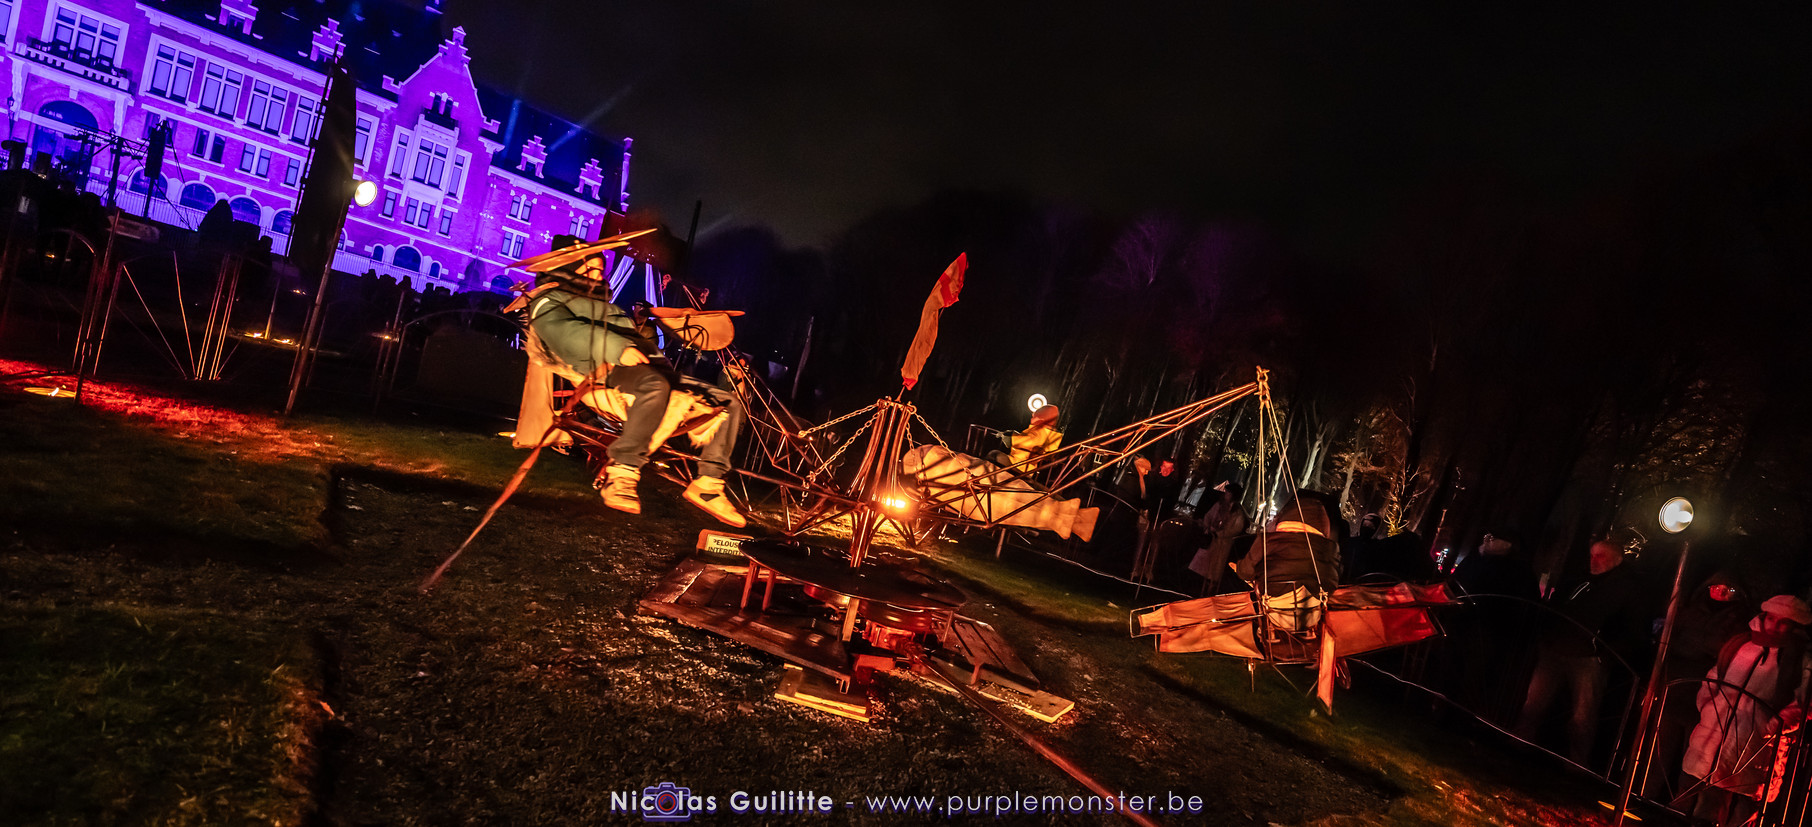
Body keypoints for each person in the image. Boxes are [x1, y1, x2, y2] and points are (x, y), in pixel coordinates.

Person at [518, 239, 747, 527]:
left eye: (600, 270)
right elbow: (564, 332)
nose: (598, 276)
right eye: (590, 270)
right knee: (655, 386)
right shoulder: (548, 300)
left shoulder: (601, 304)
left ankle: (709, 484)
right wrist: (617, 348)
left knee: (728, 402)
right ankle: (622, 472)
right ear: (569, 270)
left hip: (648, 368)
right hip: (605, 369)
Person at [1516, 536, 1653, 766]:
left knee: (1582, 717)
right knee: (1533, 704)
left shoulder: (1627, 589)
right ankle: (1517, 745)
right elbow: (1560, 607)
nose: (1594, 561)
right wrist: (1548, 635)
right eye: (1592, 555)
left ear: (1617, 560)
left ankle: (1576, 766)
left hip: (1588, 659)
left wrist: (1603, 654)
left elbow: (1634, 630)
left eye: (1600, 556)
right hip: (1556, 649)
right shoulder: (1581, 579)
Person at [1680, 595, 1811, 827]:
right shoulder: (1742, 644)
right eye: (1771, 618)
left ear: (1795, 625)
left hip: (1759, 742)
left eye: (1783, 622)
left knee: (1745, 810)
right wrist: (1708, 705)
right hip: (1717, 733)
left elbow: (1803, 702)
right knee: (1708, 800)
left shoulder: (1801, 659)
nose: (1774, 625)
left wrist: (1776, 725)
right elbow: (1715, 675)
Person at [1186, 482, 1249, 595]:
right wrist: (1208, 527)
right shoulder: (1219, 505)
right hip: (1210, 539)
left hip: (1222, 544)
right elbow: (1209, 516)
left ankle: (1208, 591)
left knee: (1214, 570)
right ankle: (1196, 588)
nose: (1226, 494)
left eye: (1229, 493)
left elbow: (1235, 529)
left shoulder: (1237, 512)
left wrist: (1220, 533)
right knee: (1202, 566)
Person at [988, 404, 1063, 472]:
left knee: (995, 454)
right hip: (1022, 465)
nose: (1031, 418)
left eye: (1034, 417)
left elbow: (1028, 441)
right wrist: (1014, 434)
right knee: (996, 456)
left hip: (1019, 466)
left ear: (1041, 419)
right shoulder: (1046, 435)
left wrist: (1011, 439)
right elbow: (1027, 438)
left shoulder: (1040, 433)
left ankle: (984, 475)